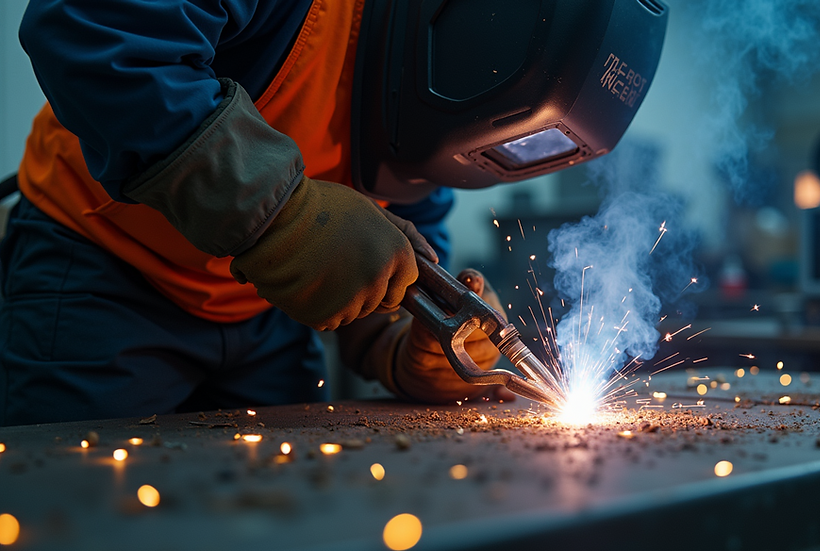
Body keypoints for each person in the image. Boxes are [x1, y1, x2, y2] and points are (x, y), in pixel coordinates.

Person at [0, 0, 510, 426]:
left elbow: (408, 200)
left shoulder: (436, 59)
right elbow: (97, 34)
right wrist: (282, 216)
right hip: (105, 269)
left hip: (269, 314)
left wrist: (399, 338)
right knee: (84, 499)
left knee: (281, 500)